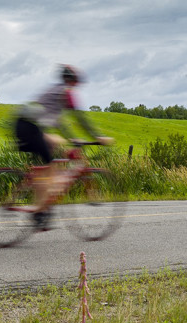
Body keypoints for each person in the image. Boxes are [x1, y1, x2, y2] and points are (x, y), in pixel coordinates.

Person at [13, 64, 113, 229]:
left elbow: (58, 123)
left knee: (54, 143)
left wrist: (71, 138)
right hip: (29, 128)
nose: (76, 86)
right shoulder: (65, 92)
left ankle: (41, 205)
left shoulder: (56, 93)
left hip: (26, 126)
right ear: (72, 81)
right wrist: (97, 137)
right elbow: (80, 118)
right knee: (50, 167)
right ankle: (39, 212)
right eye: (76, 82)